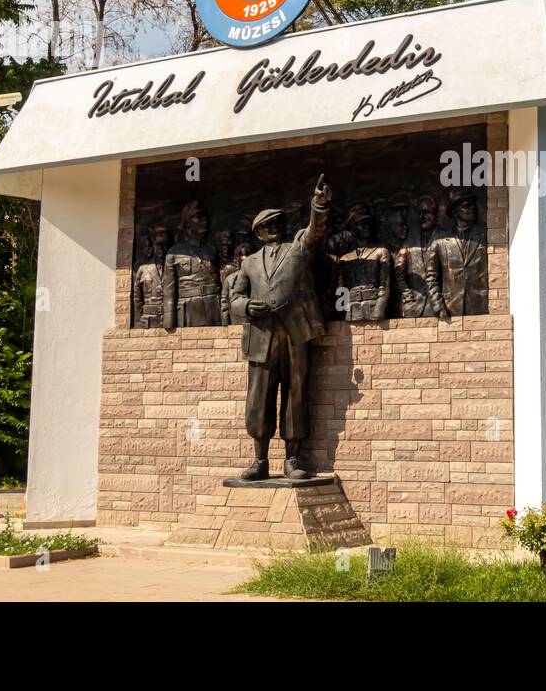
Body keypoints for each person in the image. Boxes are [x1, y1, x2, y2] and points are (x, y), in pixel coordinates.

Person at [228, 175, 332, 480]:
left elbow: (316, 231)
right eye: (267, 225)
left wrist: (319, 204)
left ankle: (292, 460)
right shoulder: (248, 264)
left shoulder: (298, 247)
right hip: (261, 336)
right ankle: (260, 459)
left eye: (277, 222)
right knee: (259, 396)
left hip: (295, 334)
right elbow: (234, 298)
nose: (274, 227)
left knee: (296, 393)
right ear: (258, 233)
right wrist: (247, 307)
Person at [162, 201, 222, 329]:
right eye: (198, 217)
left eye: (205, 216)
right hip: (188, 309)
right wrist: (169, 320)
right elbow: (169, 290)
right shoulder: (174, 253)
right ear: (188, 222)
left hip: (213, 307)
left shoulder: (212, 250)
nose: (204, 220)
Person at [429, 187, 488, 317]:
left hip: (480, 306)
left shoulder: (485, 235)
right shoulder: (440, 241)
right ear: (454, 212)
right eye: (466, 205)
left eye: (473, 205)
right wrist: (439, 306)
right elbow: (431, 277)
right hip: (451, 307)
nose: (472, 208)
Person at [334, 201, 392, 322]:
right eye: (361, 224)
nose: (367, 227)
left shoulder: (381, 252)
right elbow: (341, 288)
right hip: (351, 310)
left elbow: (385, 284)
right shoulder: (345, 258)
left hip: (373, 307)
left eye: (369, 223)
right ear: (353, 228)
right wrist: (340, 313)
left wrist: (379, 308)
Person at [132, 226, 170, 328]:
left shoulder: (176, 268)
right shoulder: (143, 269)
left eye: (165, 244)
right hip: (148, 320)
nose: (162, 248)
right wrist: (140, 318)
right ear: (153, 245)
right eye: (158, 244)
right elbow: (137, 298)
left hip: (170, 319)